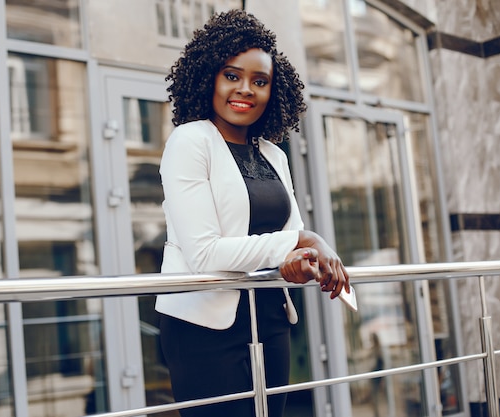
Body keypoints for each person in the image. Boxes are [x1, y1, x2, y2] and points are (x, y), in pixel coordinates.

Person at [155, 9, 350, 417]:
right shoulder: (190, 142)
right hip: (202, 326)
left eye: (259, 81)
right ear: (209, 76)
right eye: (232, 76)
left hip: (270, 317)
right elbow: (205, 254)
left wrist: (296, 262)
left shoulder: (273, 155)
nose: (245, 89)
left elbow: (288, 239)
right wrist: (302, 242)